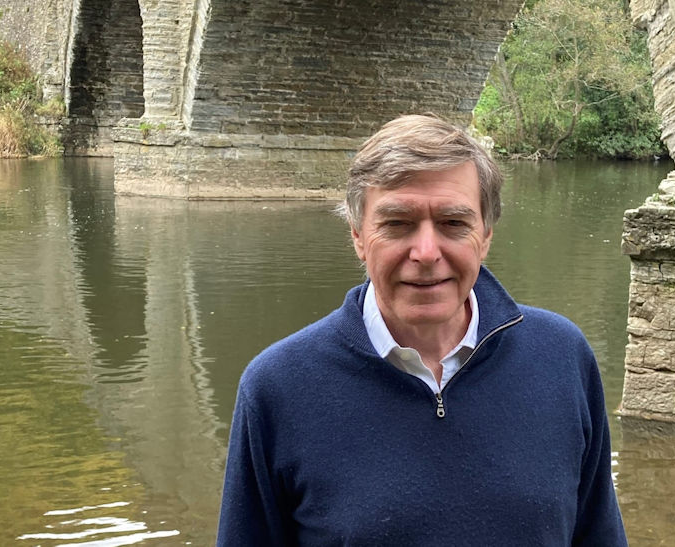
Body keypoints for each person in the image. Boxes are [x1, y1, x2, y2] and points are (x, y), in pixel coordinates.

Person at [216, 115, 627, 546]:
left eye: (453, 223)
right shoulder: (277, 387)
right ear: (358, 235)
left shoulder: (561, 356)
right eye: (397, 224)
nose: (427, 253)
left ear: (485, 235)